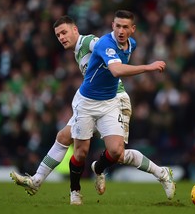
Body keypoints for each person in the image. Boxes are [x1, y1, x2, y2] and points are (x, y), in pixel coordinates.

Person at [10, 14, 175, 205]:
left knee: (116, 153)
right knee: (72, 144)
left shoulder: (91, 41)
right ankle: (47, 184)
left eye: (64, 32)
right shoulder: (78, 51)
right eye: (58, 35)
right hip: (87, 102)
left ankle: (156, 172)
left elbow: (109, 56)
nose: (62, 37)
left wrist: (147, 67)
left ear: (75, 30)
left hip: (115, 100)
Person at [68, 10, 175, 205]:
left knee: (117, 151)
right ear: (112, 26)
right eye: (117, 26)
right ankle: (75, 191)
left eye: (125, 27)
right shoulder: (105, 44)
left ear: (132, 29)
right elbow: (116, 70)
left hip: (109, 103)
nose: (121, 31)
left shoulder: (130, 45)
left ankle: (99, 169)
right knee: (80, 153)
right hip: (86, 102)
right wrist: (149, 67)